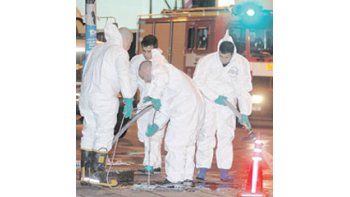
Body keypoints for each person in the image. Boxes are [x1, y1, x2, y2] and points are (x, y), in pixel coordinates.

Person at [79, 22, 134, 187]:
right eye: (130, 44)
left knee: (89, 132)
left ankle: (86, 175)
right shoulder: (119, 52)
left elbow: (85, 70)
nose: (129, 47)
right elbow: (124, 76)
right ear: (126, 40)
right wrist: (129, 98)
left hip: (87, 97)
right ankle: (99, 174)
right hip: (104, 98)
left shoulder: (98, 49)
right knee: (104, 133)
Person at [193, 30, 253, 182]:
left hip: (228, 105)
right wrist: (214, 96)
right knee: (206, 134)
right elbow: (198, 82)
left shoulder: (241, 63)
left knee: (225, 136)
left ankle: (224, 170)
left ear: (233, 54)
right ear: (218, 51)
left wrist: (244, 112)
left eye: (226, 57)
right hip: (209, 102)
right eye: (221, 56)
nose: (223, 59)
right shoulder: (207, 61)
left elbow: (243, 89)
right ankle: (202, 168)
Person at [138, 50, 204, 186]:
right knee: (188, 144)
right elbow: (166, 108)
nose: (146, 81)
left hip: (185, 109)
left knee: (175, 143)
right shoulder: (167, 76)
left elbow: (160, 84)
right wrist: (156, 125)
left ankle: (174, 178)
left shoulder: (160, 69)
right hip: (193, 107)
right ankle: (186, 176)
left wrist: (154, 96)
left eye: (145, 78)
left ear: (149, 71)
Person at [130, 35, 166, 174]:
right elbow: (132, 80)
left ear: (155, 49)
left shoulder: (161, 62)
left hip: (158, 103)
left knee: (155, 134)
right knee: (145, 135)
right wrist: (129, 99)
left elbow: (162, 83)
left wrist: (155, 98)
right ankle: (154, 164)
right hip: (144, 103)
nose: (146, 54)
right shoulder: (136, 61)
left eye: (149, 51)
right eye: (144, 51)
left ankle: (150, 165)